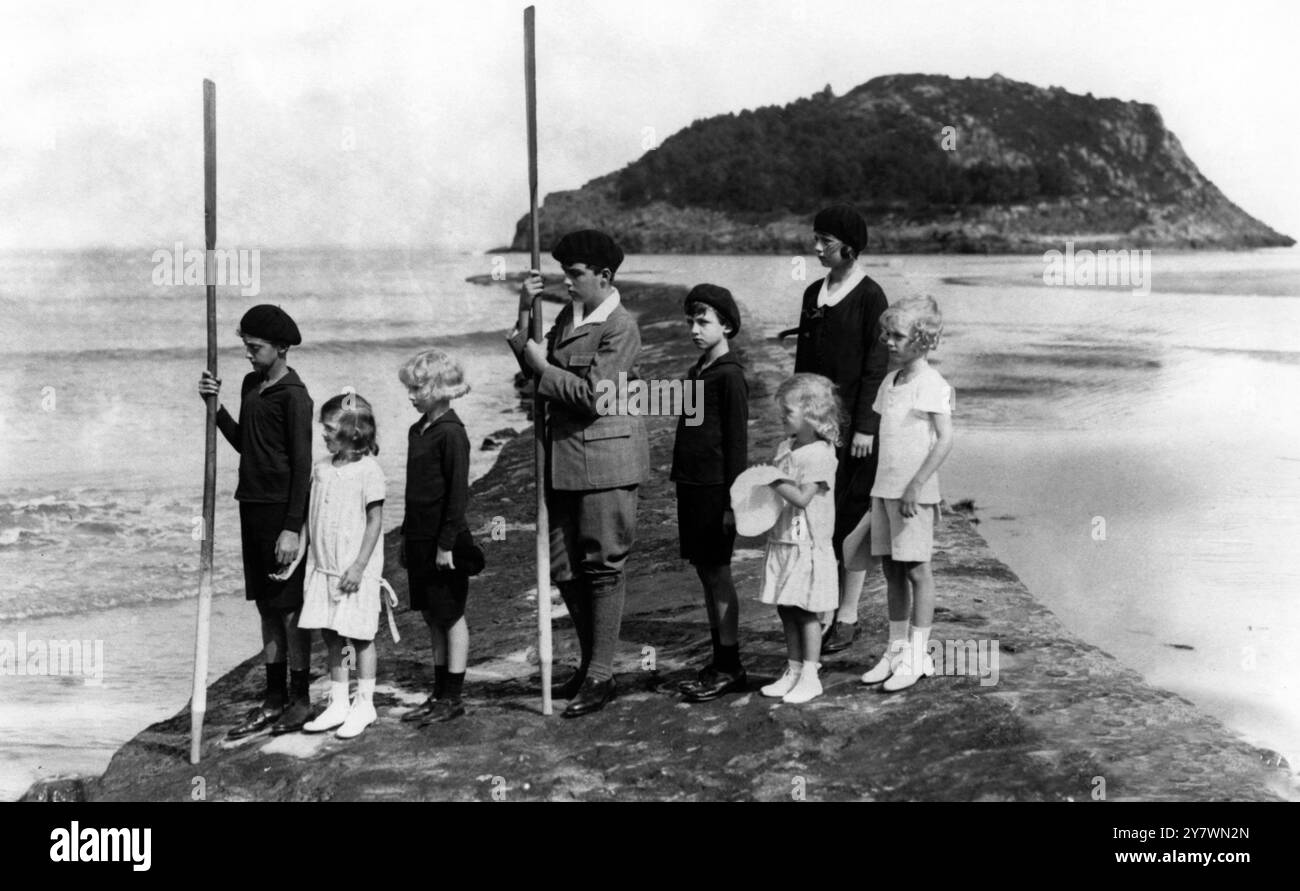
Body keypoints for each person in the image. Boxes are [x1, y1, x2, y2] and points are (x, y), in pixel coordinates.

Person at [508, 229, 650, 718]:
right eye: (564, 273)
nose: (565, 282)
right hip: (565, 457)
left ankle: (602, 676)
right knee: (565, 567)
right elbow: (530, 367)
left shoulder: (620, 327)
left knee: (603, 566)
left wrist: (543, 367)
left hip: (607, 461)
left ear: (604, 276)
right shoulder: (570, 314)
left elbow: (594, 396)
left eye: (575, 274)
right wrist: (526, 311)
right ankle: (592, 664)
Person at [196, 304, 315, 738]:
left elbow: (303, 467)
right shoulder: (251, 384)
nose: (248, 354)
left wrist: (292, 527)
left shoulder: (295, 397)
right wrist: (216, 407)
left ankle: (300, 698)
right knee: (266, 605)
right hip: (252, 506)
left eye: (255, 347)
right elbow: (248, 444)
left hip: (282, 511)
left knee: (289, 609)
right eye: (245, 345)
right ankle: (273, 696)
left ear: (281, 348)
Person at [792, 204, 889, 655]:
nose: (816, 248)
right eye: (816, 239)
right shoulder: (813, 294)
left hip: (857, 430)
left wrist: (867, 426)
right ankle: (825, 613)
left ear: (849, 247)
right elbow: (803, 366)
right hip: (819, 425)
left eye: (825, 241)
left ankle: (847, 616)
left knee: (848, 522)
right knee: (818, 517)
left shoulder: (871, 297)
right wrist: (799, 419)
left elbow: (877, 367)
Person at [859, 297, 954, 692]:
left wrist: (917, 485)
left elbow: (945, 440)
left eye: (898, 336)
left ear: (923, 340)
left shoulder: (932, 384)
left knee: (917, 570)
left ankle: (917, 655)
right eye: (887, 334)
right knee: (891, 570)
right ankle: (896, 649)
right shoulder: (890, 382)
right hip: (884, 490)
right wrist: (878, 491)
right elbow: (890, 439)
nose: (889, 342)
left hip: (914, 495)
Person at [670, 285, 749, 702]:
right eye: (690, 322)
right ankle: (720, 657)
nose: (695, 330)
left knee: (718, 573)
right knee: (704, 571)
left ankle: (731, 664)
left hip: (718, 490)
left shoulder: (730, 376)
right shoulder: (699, 369)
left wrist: (734, 502)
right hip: (693, 486)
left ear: (727, 325)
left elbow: (737, 444)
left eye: (704, 322)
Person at [298, 389, 386, 739]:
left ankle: (364, 702)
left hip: (354, 570)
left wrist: (359, 567)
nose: (323, 433)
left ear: (354, 431)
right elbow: (312, 515)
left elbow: (375, 522)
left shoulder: (369, 471)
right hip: (323, 567)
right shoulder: (321, 469)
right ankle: (338, 700)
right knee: (333, 633)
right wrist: (302, 555)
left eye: (331, 428)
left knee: (360, 636)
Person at [397, 349, 474, 725]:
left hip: (447, 541)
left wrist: (446, 544)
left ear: (442, 388)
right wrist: (406, 540)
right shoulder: (418, 431)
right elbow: (415, 493)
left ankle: (454, 696)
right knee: (431, 615)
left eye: (417, 388)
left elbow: (457, 495)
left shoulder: (452, 434)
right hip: (420, 538)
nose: (411, 395)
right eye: (409, 388)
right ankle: (438, 691)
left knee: (452, 614)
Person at [758, 373, 841, 705]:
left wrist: (772, 479)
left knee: (806, 610)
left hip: (806, 543)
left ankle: (810, 674)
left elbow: (804, 498)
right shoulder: (785, 446)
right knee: (785, 606)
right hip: (783, 539)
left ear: (811, 415)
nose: (782, 417)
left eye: (788, 411)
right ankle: (792, 669)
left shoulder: (821, 454)